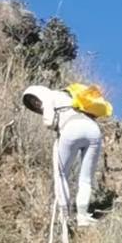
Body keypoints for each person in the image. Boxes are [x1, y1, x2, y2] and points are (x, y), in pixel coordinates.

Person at [22, 83, 106, 227]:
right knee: (86, 178)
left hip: (71, 129)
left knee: (61, 175)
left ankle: (64, 215)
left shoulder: (49, 96)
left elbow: (48, 122)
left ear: (38, 94)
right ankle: (82, 216)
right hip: (93, 130)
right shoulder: (69, 94)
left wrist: (56, 126)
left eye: (34, 100)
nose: (36, 104)